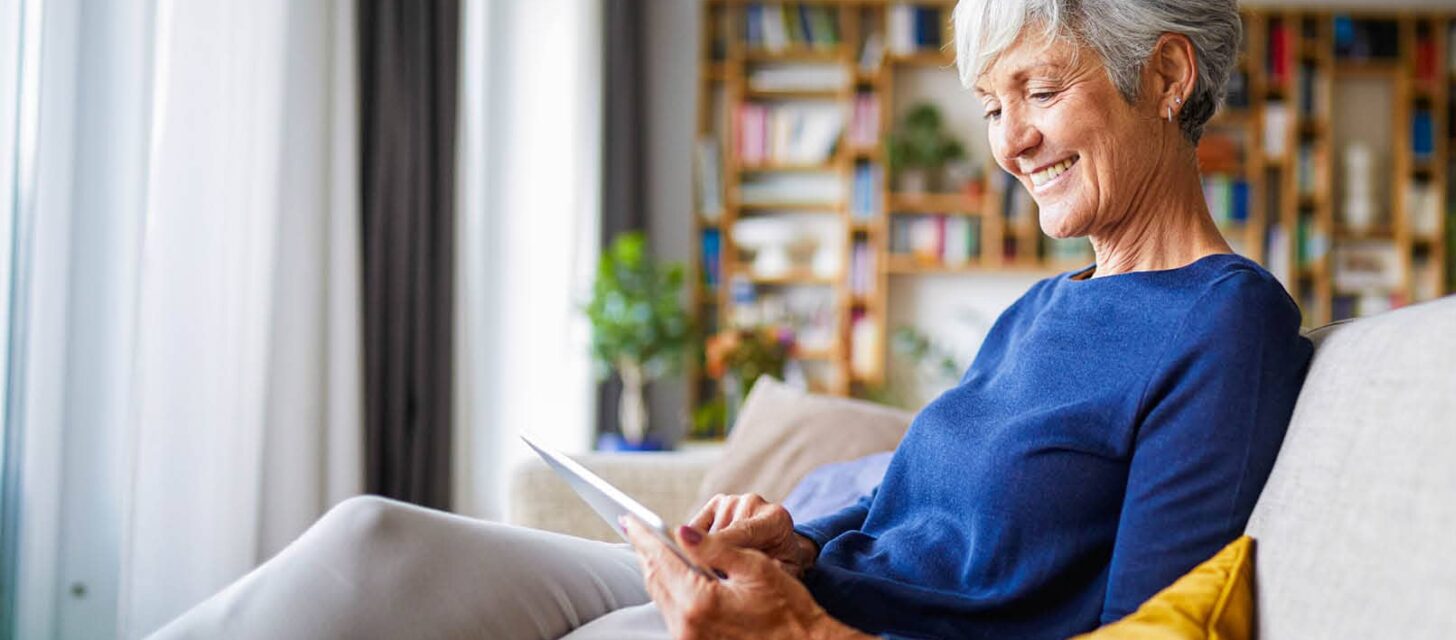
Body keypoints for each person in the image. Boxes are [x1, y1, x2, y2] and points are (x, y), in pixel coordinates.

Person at [153, 1, 1311, 638]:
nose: (1008, 143)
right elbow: (917, 514)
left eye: (1040, 90)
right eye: (990, 106)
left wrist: (798, 631)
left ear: (1166, 78)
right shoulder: (1044, 309)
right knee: (373, 543)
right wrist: (793, 543)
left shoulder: (1226, 329)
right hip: (798, 593)